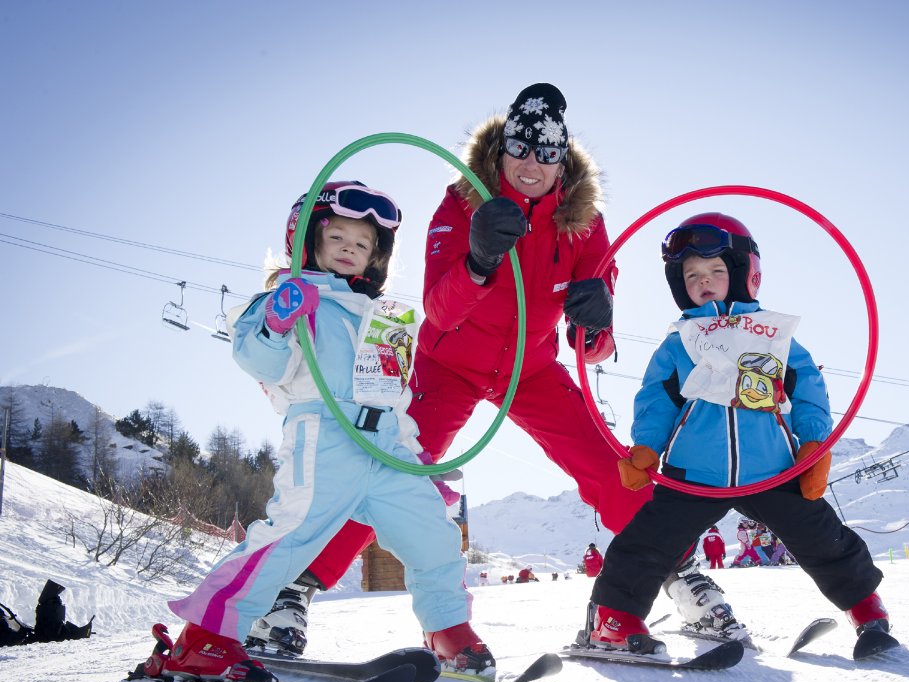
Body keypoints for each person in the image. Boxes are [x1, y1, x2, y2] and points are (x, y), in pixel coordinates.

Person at [250, 83, 747, 650]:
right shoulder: (461, 202)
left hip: (530, 371)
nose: (532, 163)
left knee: (612, 466)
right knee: (388, 467)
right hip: (447, 365)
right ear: (501, 148)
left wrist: (596, 322)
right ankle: (292, 592)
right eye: (521, 148)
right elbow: (436, 308)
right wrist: (479, 260)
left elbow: (594, 350)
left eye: (547, 152)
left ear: (563, 160)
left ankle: (676, 574)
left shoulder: (584, 223)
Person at [149, 181, 494, 682]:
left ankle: (448, 631)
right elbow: (258, 360)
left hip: (386, 447)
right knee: (290, 536)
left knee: (433, 536)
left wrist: (415, 458)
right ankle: (204, 639)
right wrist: (278, 321)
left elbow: (394, 399)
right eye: (338, 239)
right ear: (307, 241)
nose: (351, 250)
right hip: (325, 438)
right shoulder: (290, 301)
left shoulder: (384, 318)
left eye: (363, 244)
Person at [579, 212, 890, 654]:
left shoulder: (772, 336)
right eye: (692, 275)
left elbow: (807, 389)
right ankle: (613, 617)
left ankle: (866, 607)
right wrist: (647, 448)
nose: (704, 281)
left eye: (716, 271)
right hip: (695, 470)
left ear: (744, 274)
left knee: (820, 535)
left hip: (771, 467)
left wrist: (814, 443)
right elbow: (658, 399)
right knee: (650, 539)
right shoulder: (681, 342)